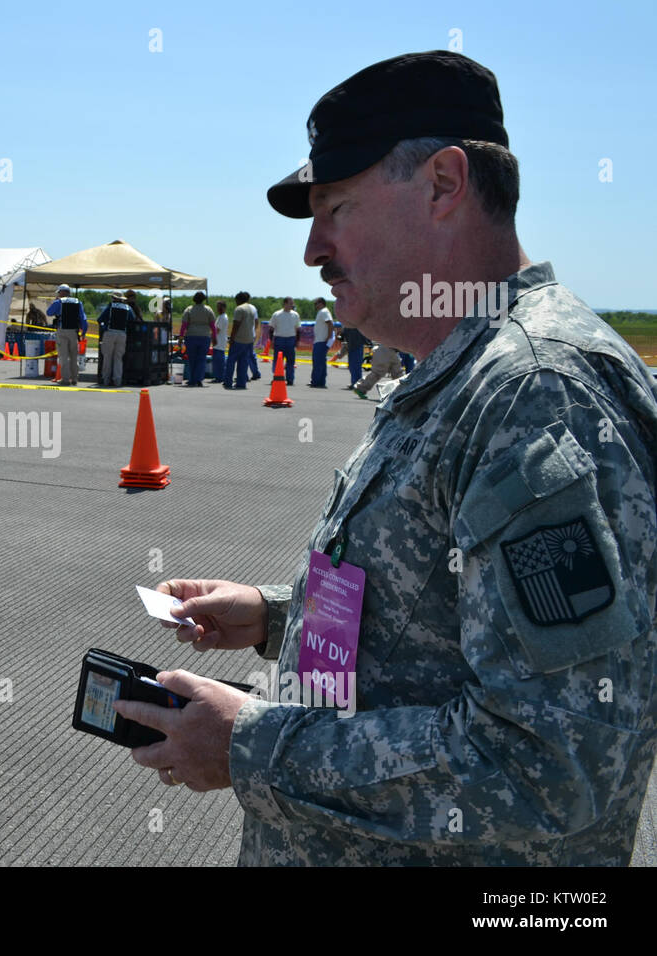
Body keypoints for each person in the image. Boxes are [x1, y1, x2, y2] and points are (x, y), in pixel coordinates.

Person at [114, 50, 657, 865]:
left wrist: (250, 746)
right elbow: (439, 622)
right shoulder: (454, 373)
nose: (312, 250)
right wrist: (279, 617)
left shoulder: (535, 393)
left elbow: (556, 763)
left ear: (444, 184)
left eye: (335, 207)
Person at [46, 284, 87, 386]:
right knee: (74, 356)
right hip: (74, 332)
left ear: (61, 292)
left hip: (62, 331)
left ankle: (65, 379)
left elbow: (49, 312)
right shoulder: (78, 302)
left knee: (64, 356)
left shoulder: (59, 302)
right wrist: (84, 332)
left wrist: (55, 302)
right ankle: (74, 379)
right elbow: (84, 319)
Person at [223, 291, 260, 390]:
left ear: (238, 300)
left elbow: (236, 324)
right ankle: (241, 383)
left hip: (239, 339)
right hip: (249, 339)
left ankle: (228, 382)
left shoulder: (239, 309)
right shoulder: (251, 309)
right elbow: (256, 323)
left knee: (231, 361)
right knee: (243, 362)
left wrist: (232, 338)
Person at [179, 291, 216, 387]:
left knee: (192, 359)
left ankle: (192, 379)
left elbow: (184, 325)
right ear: (203, 299)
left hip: (191, 336)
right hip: (204, 336)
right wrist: (214, 337)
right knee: (201, 359)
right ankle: (199, 379)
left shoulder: (189, 309)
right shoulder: (208, 310)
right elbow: (213, 325)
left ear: (194, 299)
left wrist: (181, 337)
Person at [96, 292, 133, 387]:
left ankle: (106, 380)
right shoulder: (128, 308)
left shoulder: (110, 307)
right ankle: (117, 380)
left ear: (114, 298)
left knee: (107, 357)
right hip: (122, 334)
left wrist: (104, 328)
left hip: (110, 333)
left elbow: (100, 320)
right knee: (118, 358)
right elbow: (132, 320)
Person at [269, 296, 301, 385]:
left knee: (290, 361)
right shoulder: (277, 314)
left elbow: (298, 329)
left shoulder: (295, 315)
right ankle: (277, 377)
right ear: (285, 303)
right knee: (278, 361)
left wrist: (297, 341)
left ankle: (290, 379)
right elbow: (271, 328)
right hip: (279, 339)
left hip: (291, 339)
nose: (292, 305)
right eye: (290, 303)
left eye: (292, 303)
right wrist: (271, 340)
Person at [309, 296, 334, 387]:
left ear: (321, 303)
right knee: (321, 362)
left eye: (316, 304)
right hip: (320, 340)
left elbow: (330, 324)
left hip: (322, 340)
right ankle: (320, 381)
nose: (315, 306)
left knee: (318, 362)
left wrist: (329, 337)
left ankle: (316, 381)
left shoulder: (324, 312)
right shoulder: (322, 312)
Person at [211, 299, 230, 381]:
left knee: (219, 361)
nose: (218, 309)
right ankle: (218, 376)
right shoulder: (220, 316)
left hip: (220, 342)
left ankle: (220, 377)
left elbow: (217, 330)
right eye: (217, 307)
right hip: (218, 342)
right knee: (217, 360)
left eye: (220, 307)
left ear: (224, 308)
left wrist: (211, 336)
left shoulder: (223, 317)